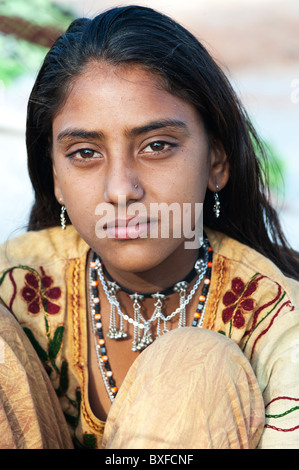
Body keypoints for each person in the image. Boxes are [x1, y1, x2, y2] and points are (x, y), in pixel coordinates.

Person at [0, 5, 298, 449]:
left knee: (197, 367)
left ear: (216, 161)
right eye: (84, 152)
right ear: (56, 177)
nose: (121, 190)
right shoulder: (17, 287)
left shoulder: (276, 321)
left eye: (157, 146)